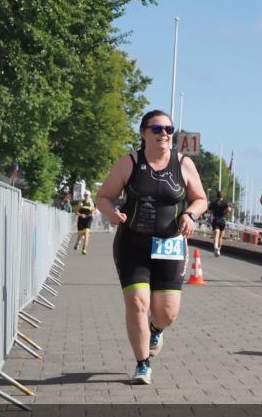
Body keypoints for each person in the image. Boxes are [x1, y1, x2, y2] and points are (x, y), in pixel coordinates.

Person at [95, 110, 207, 385]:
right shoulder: (130, 162)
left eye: (169, 129)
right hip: (133, 243)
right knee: (137, 302)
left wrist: (189, 215)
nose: (164, 134)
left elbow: (200, 199)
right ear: (144, 133)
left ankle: (156, 328)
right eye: (157, 129)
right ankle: (142, 364)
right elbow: (104, 197)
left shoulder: (183, 164)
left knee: (167, 313)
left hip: (170, 244)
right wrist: (111, 213)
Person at [208, 191, 232, 256]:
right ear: (222, 196)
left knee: (216, 234)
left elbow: (209, 211)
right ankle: (218, 249)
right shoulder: (225, 202)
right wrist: (225, 212)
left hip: (215, 219)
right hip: (222, 220)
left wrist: (213, 211)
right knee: (220, 237)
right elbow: (229, 210)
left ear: (217, 196)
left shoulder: (213, 203)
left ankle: (215, 246)